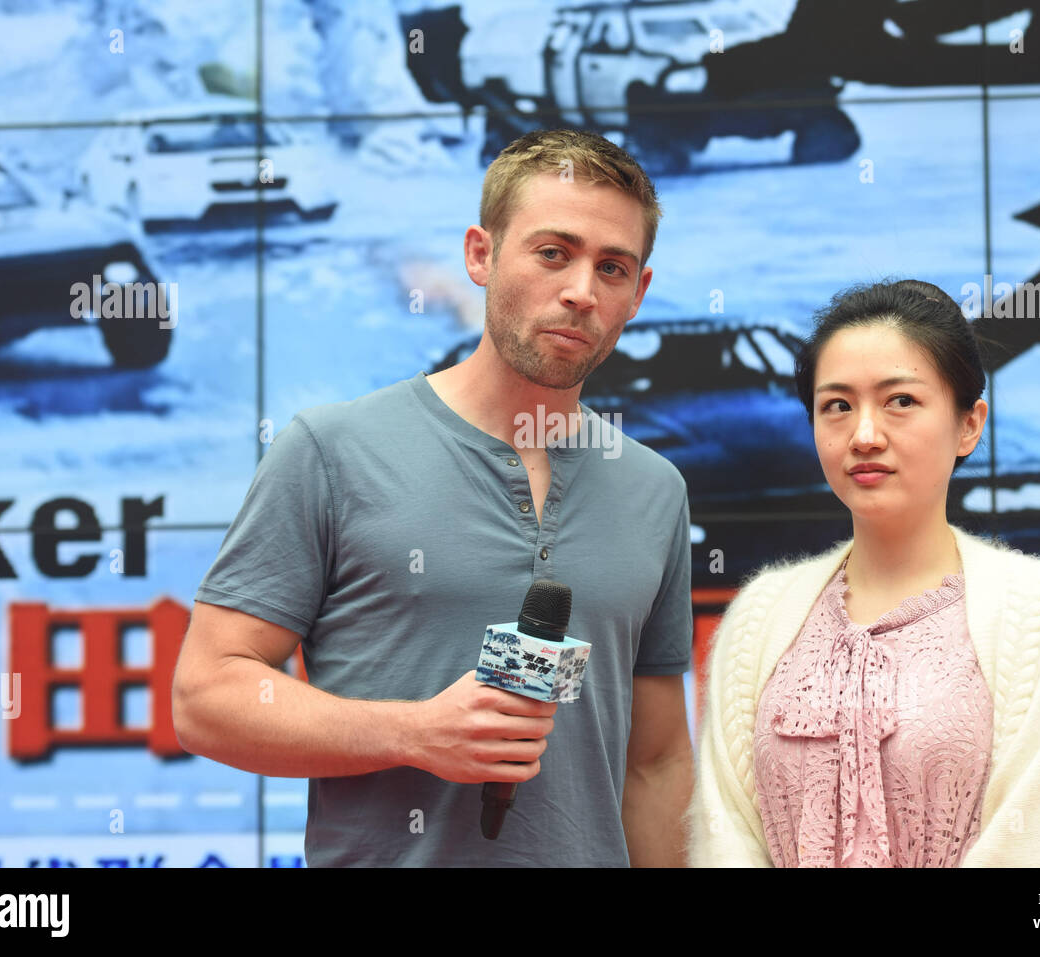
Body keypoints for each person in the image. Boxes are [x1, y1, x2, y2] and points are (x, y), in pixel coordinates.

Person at [172, 129, 694, 867]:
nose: (582, 291)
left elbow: (658, 760)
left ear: (637, 294)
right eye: (553, 253)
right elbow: (205, 699)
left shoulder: (656, 490)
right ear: (480, 254)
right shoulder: (332, 450)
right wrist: (413, 732)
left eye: (612, 267)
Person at [685, 279, 1040, 867]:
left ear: (968, 424)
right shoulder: (760, 614)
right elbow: (723, 834)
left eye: (900, 400)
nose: (865, 435)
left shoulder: (1033, 607)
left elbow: (1036, 841)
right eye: (837, 406)